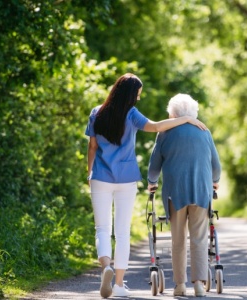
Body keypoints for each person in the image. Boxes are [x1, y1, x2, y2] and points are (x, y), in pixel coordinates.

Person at [85, 74, 207, 298]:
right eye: (138, 95)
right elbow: (157, 126)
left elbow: (92, 147)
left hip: (100, 177)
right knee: (122, 232)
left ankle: (106, 268)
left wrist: (89, 171)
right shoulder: (131, 114)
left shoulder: (97, 112)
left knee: (102, 229)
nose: (138, 99)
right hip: (126, 178)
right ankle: (119, 284)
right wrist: (187, 119)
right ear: (130, 95)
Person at [147, 93, 221, 297]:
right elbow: (216, 164)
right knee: (199, 237)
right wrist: (215, 181)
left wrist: (151, 183)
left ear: (174, 113)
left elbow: (154, 165)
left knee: (178, 239)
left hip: (175, 193)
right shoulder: (204, 131)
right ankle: (199, 284)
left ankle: (180, 285)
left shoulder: (164, 133)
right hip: (201, 190)